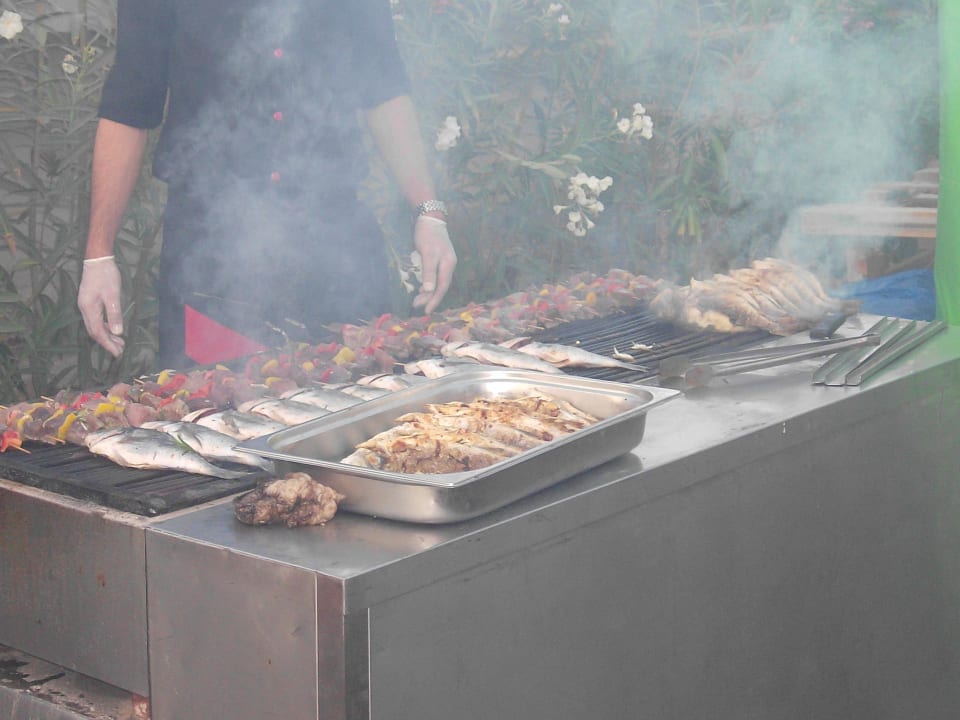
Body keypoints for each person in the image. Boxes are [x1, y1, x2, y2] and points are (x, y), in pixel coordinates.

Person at [77, 0, 457, 367]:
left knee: (366, 395)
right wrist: (99, 254)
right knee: (216, 402)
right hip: (212, 262)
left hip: (336, 249)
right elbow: (129, 106)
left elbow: (384, 88)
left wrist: (428, 211)